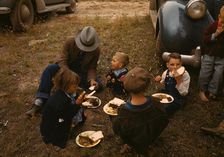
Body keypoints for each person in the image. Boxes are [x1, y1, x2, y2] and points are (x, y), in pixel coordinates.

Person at [26, 26, 101, 117]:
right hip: (66, 68)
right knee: (50, 69)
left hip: (81, 73)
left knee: (99, 85)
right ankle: (40, 100)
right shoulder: (70, 42)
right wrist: (68, 74)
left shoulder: (96, 50)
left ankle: (74, 90)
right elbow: (62, 60)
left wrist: (92, 79)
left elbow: (92, 68)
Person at [112, 67, 168, 156]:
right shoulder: (156, 103)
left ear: (126, 87)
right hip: (153, 135)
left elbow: (117, 130)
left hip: (134, 142)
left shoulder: (123, 114)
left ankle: (133, 148)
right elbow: (165, 120)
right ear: (147, 86)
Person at [40, 68, 86, 149]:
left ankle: (76, 124)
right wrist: (76, 104)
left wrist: (79, 98)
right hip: (54, 125)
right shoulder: (60, 100)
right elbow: (67, 115)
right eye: (75, 85)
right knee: (60, 131)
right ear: (66, 85)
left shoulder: (67, 92)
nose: (77, 87)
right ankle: (58, 142)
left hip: (60, 117)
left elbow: (74, 97)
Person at [198, 6, 224, 101]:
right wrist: (215, 34)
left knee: (219, 74)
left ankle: (213, 91)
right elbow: (205, 38)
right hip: (209, 54)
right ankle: (202, 90)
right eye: (222, 20)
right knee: (205, 72)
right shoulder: (214, 25)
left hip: (221, 57)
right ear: (219, 16)